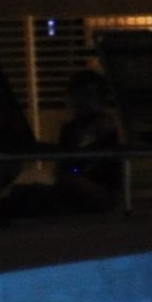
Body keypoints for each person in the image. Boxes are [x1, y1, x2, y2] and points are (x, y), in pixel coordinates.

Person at [49, 64, 128, 210]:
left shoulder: (105, 127)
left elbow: (97, 166)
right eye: (76, 96)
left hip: (102, 190)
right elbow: (67, 165)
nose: (81, 101)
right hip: (76, 182)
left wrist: (73, 173)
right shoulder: (69, 129)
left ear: (101, 100)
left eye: (88, 96)